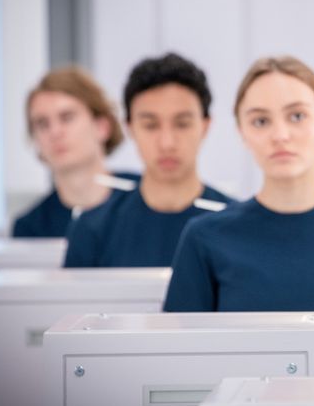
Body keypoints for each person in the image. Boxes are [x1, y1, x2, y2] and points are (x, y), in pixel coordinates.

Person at [164, 56, 314, 312]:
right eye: (261, 121)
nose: (280, 135)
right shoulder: (203, 238)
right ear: (242, 132)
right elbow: (179, 350)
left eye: (297, 116)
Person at [64, 53, 234, 267]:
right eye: (150, 125)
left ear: (205, 126)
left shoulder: (237, 225)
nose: (167, 143)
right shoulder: (93, 229)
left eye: (182, 124)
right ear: (130, 129)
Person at [12, 66, 137, 237]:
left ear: (102, 127)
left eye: (67, 117)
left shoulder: (149, 198)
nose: (55, 132)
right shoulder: (30, 228)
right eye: (42, 123)